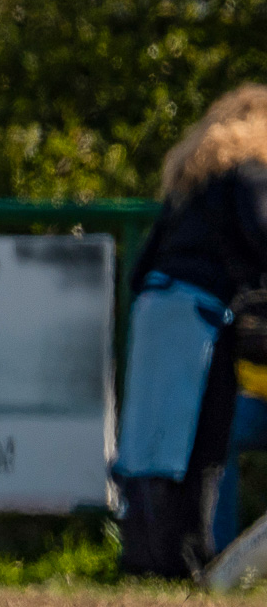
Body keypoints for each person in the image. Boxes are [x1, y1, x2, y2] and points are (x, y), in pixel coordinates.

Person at [116, 84, 267, 575]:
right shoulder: (249, 172)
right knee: (200, 444)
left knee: (151, 444)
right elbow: (263, 238)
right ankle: (182, 557)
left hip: (156, 307)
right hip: (199, 316)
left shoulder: (193, 177)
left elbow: (142, 266)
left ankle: (146, 555)